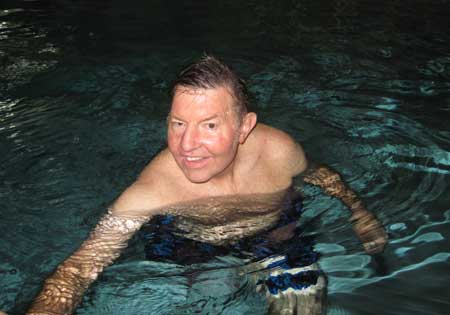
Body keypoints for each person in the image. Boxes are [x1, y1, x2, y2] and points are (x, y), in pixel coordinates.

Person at [24, 55, 387, 315]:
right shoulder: (154, 189)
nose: (187, 145)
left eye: (209, 125)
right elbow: (82, 266)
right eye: (178, 123)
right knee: (208, 300)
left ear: (245, 127)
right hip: (193, 247)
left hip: (275, 238)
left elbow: (322, 176)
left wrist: (360, 214)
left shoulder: (279, 151)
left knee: (303, 302)